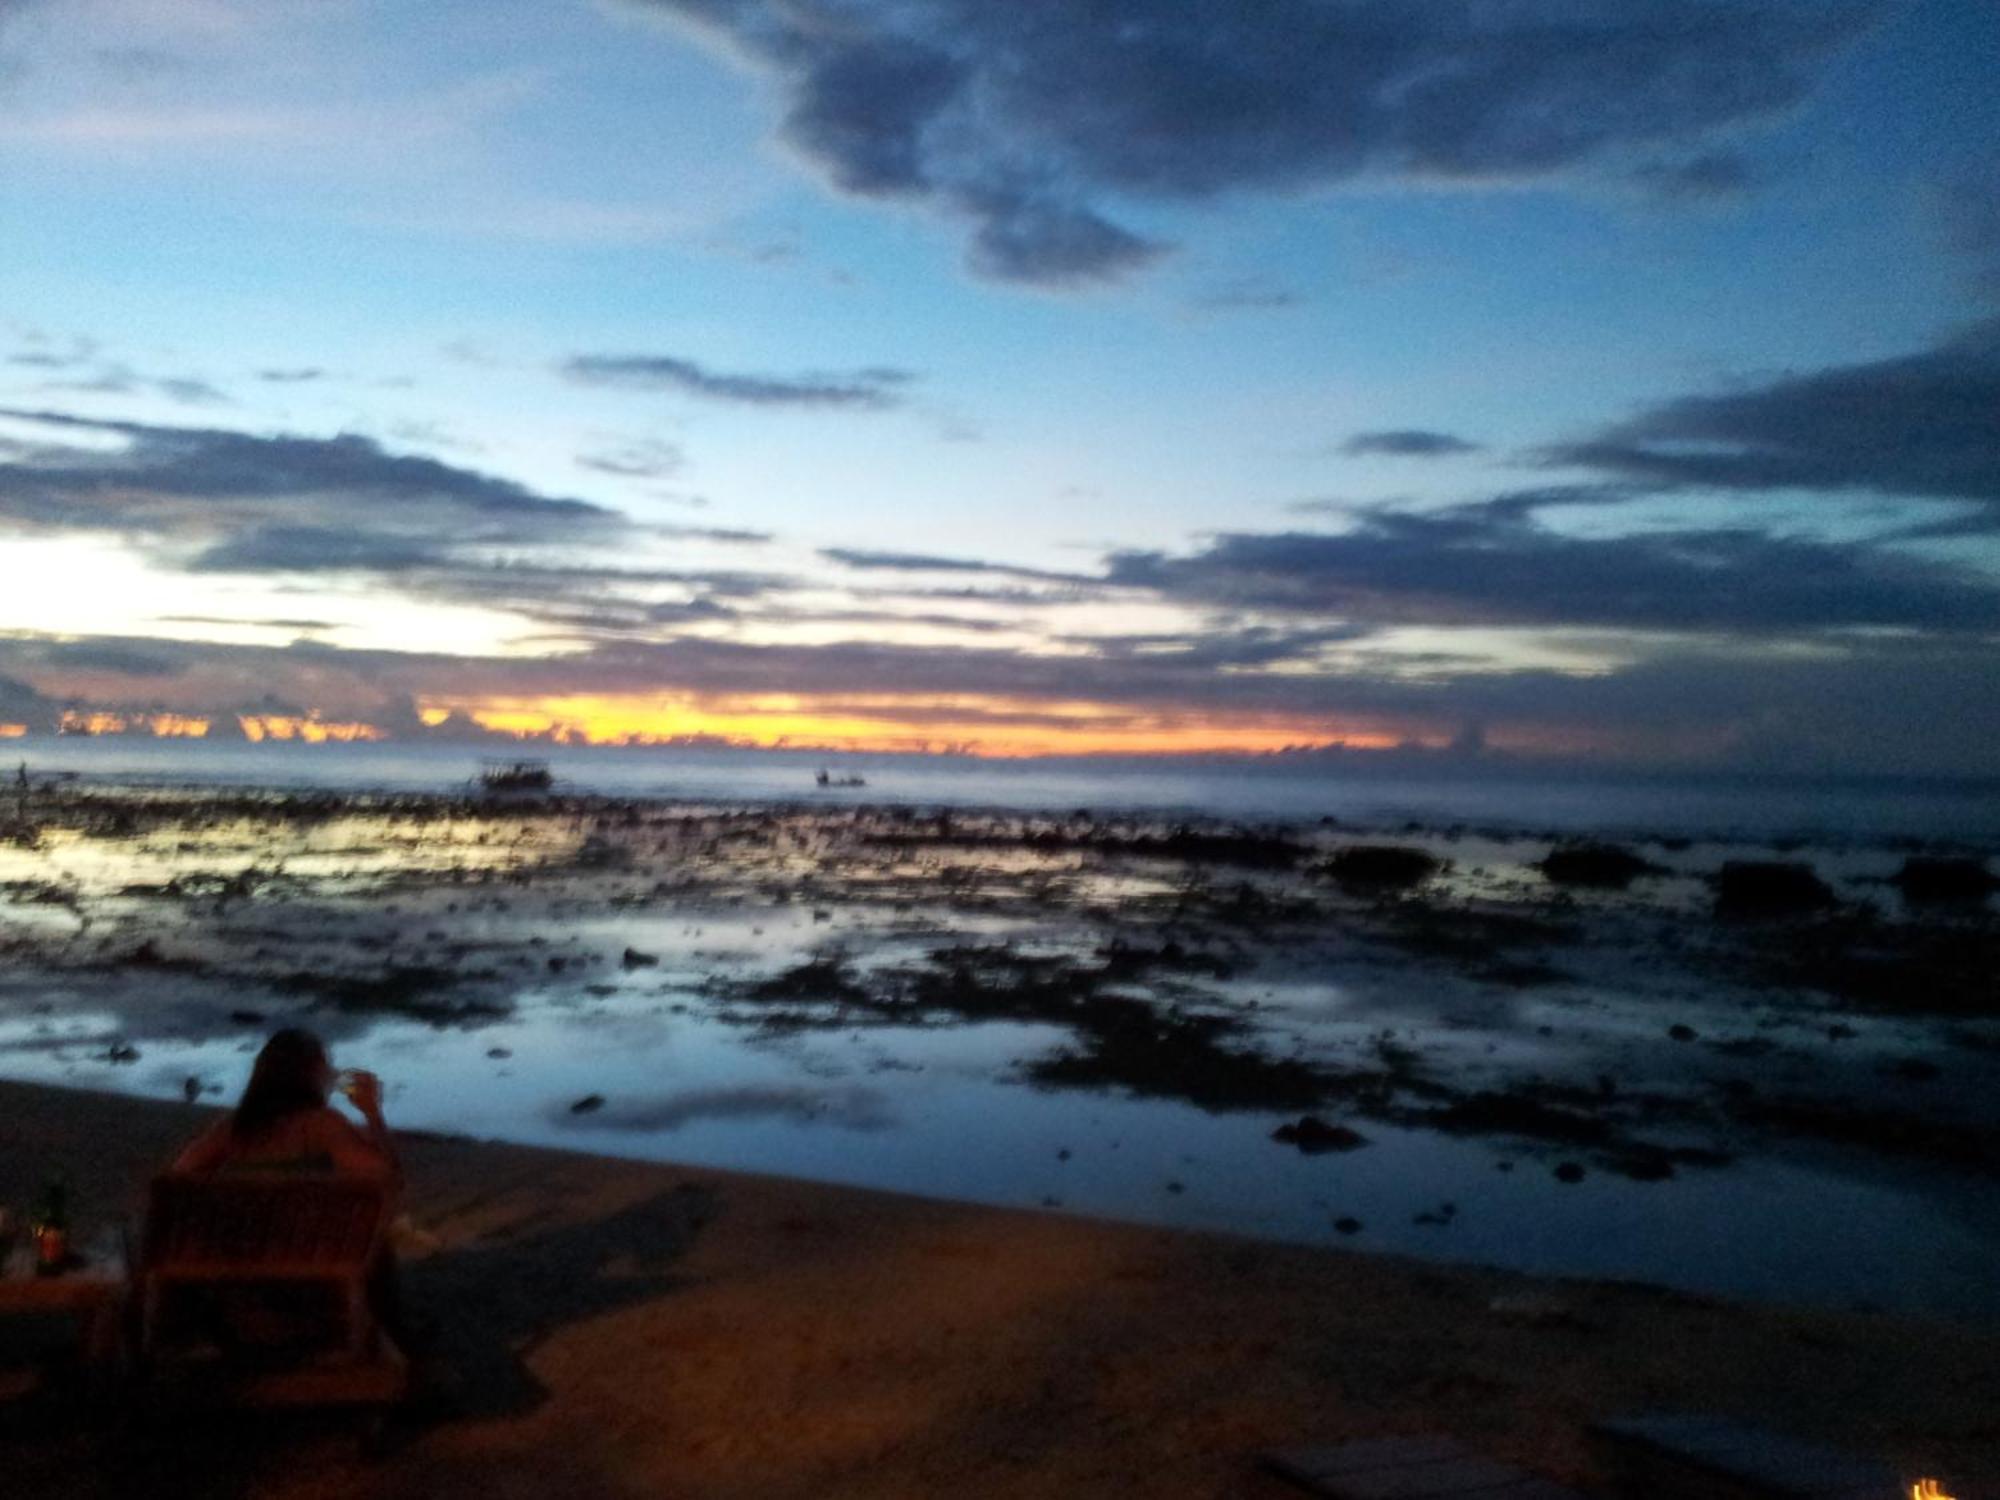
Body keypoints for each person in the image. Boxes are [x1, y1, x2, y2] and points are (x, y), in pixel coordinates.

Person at [174, 1028, 399, 1180]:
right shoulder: (322, 1125)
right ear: (311, 1073)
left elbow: (180, 1173)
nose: (332, 1072)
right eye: (326, 1065)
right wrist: (372, 1113)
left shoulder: (234, 1128)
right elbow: (384, 1177)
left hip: (243, 1245)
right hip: (314, 1246)